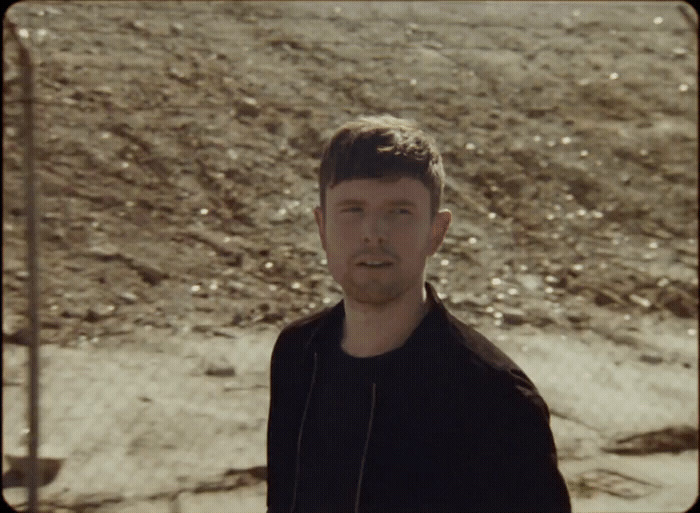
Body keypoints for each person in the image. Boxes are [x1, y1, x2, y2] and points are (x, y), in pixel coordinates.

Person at [267, 115, 571, 513]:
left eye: (399, 212)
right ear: (322, 227)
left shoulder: (495, 399)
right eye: (353, 209)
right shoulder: (299, 355)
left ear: (436, 232)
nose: (372, 232)